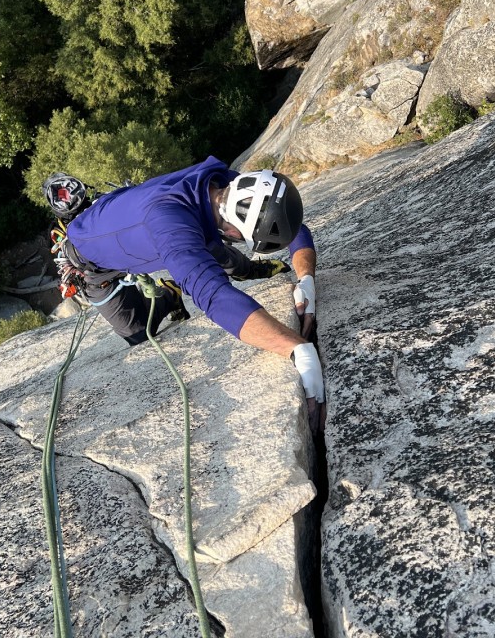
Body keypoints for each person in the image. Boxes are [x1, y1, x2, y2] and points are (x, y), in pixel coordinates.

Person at [43, 156, 325, 433]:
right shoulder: (174, 229)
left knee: (219, 254)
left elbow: (291, 223)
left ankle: (248, 269)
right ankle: (169, 294)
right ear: (233, 231)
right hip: (92, 265)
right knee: (138, 331)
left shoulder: (220, 183)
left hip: (124, 216)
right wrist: (298, 349)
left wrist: (307, 281)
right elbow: (214, 297)